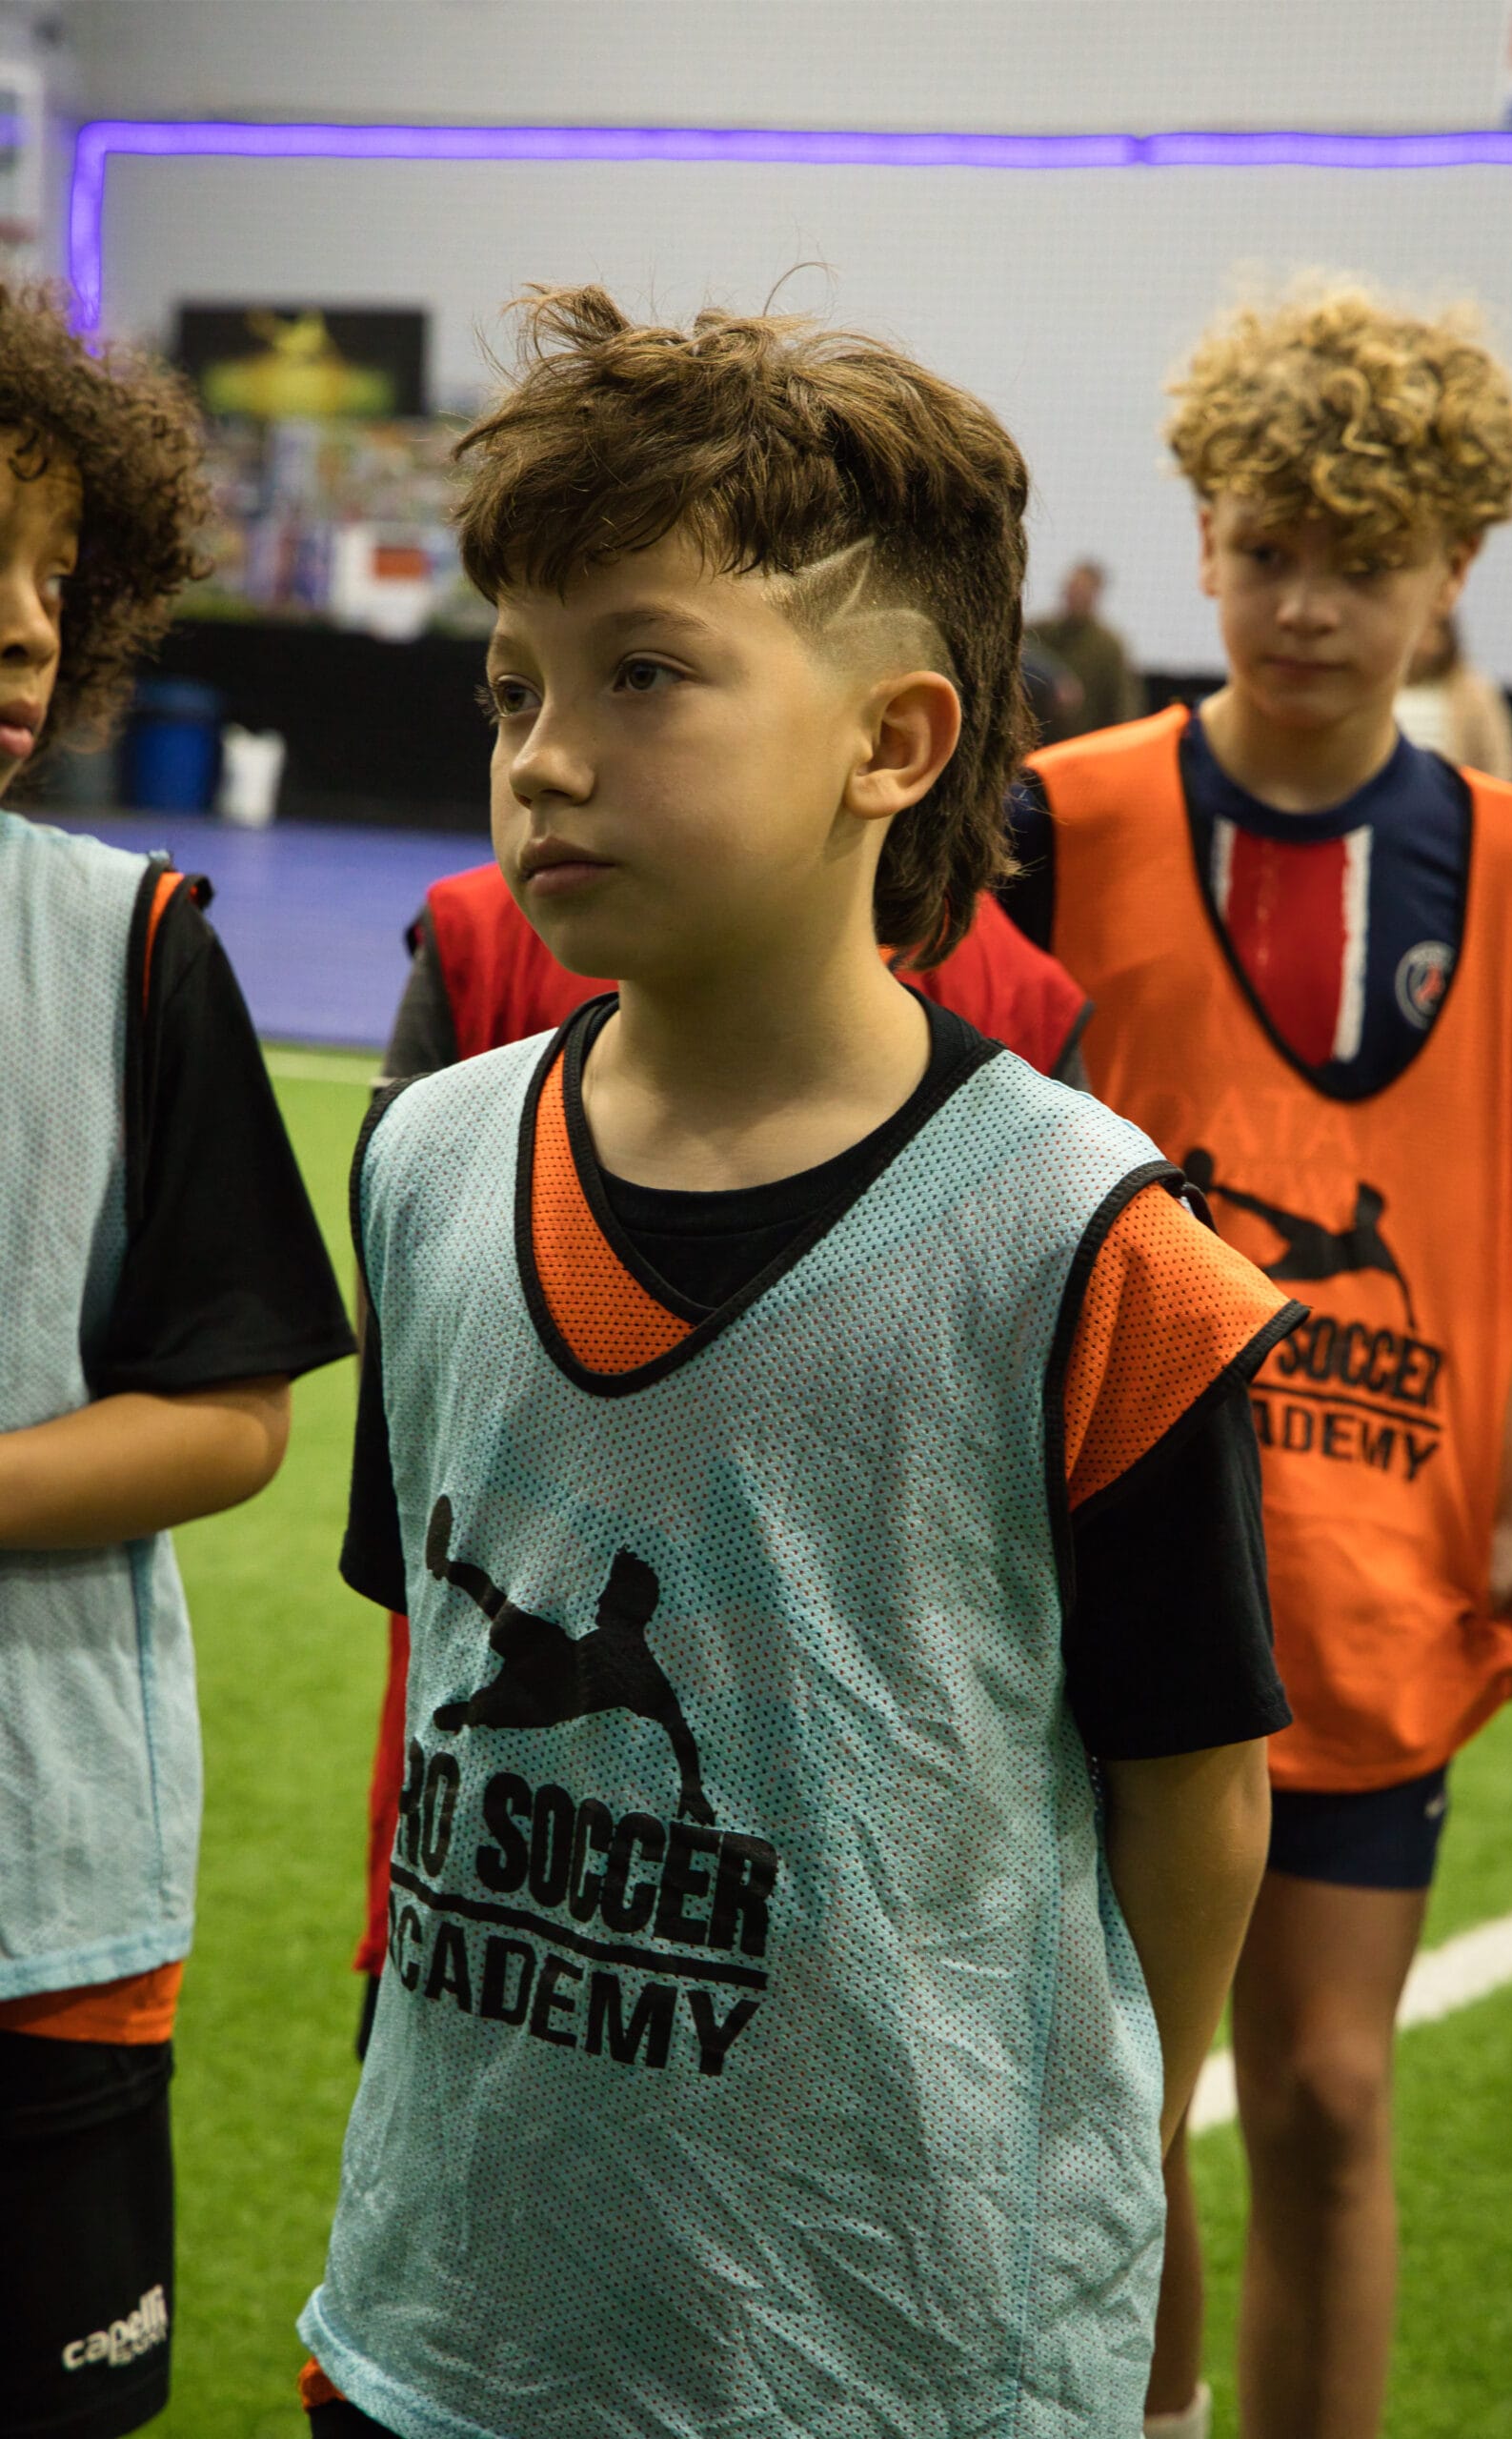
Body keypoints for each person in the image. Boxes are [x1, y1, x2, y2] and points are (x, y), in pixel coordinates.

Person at [298, 286, 1304, 2439]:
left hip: (882, 2354)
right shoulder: (427, 1165)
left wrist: (1092, 2165)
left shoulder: (1089, 1248)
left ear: (893, 742)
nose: (543, 753)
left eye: (643, 673)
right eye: (512, 686)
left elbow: (1192, 1796)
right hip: (445, 2325)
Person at [1007, 282, 1512, 2439]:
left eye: (1360, 561)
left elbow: (1501, 1210)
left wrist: (1502, 1507)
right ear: (1197, 540)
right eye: (1263, 549)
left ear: (1454, 565)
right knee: (1124, 2098)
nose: (1304, 604)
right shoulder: (1057, 819)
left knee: (1331, 2093)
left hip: (1373, 1564)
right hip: (1112, 1552)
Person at [350, 869, 1094, 2052]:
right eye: (512, 711)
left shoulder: (1042, 1047)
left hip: (832, 1966)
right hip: (476, 1897)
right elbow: (412, 1405)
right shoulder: (476, 947)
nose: (546, 774)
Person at [0, 284, 354, 2439]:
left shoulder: (129, 941)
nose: (20, 625)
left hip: (37, 1880)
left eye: (53, 573)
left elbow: (230, 1419)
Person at [1394, 607, 1512, 779]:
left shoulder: (1472, 690)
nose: (1424, 641)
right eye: (1419, 629)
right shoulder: (1377, 684)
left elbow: (1501, 763)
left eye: (1433, 631)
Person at [1027, 558, 1145, 734]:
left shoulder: (1108, 646)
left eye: (1082, 592)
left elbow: (1122, 705)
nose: (1074, 597)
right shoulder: (1038, 633)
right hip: (1042, 740)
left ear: (1095, 595)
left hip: (1086, 739)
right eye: (1072, 589)